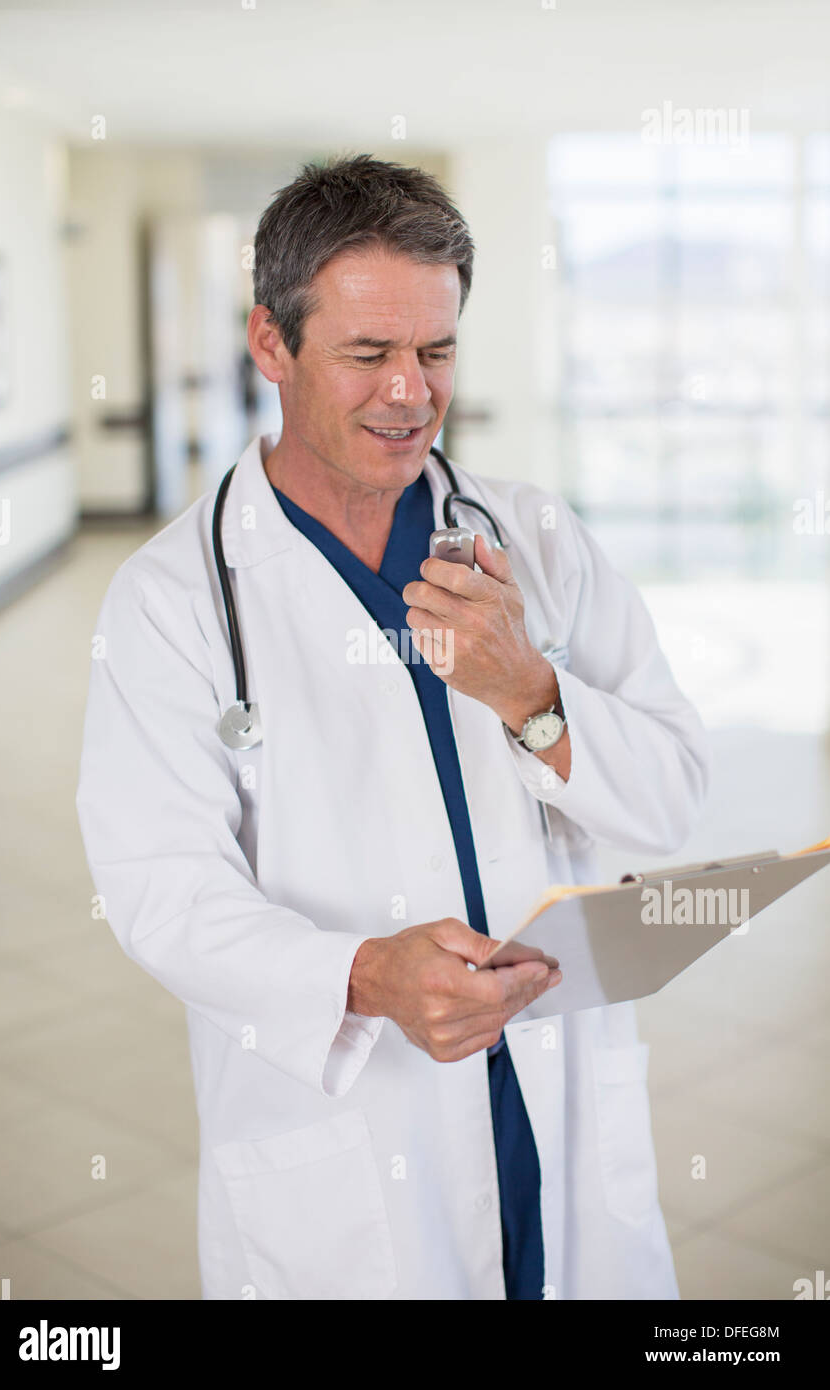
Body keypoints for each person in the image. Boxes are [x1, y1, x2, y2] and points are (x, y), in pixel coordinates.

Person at [76, 154, 710, 1301]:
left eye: (436, 351)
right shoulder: (174, 600)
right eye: (367, 355)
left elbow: (671, 792)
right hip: (354, 1116)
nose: (410, 391)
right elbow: (160, 889)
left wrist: (534, 695)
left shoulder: (538, 539)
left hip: (553, 1093)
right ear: (271, 342)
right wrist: (363, 975)